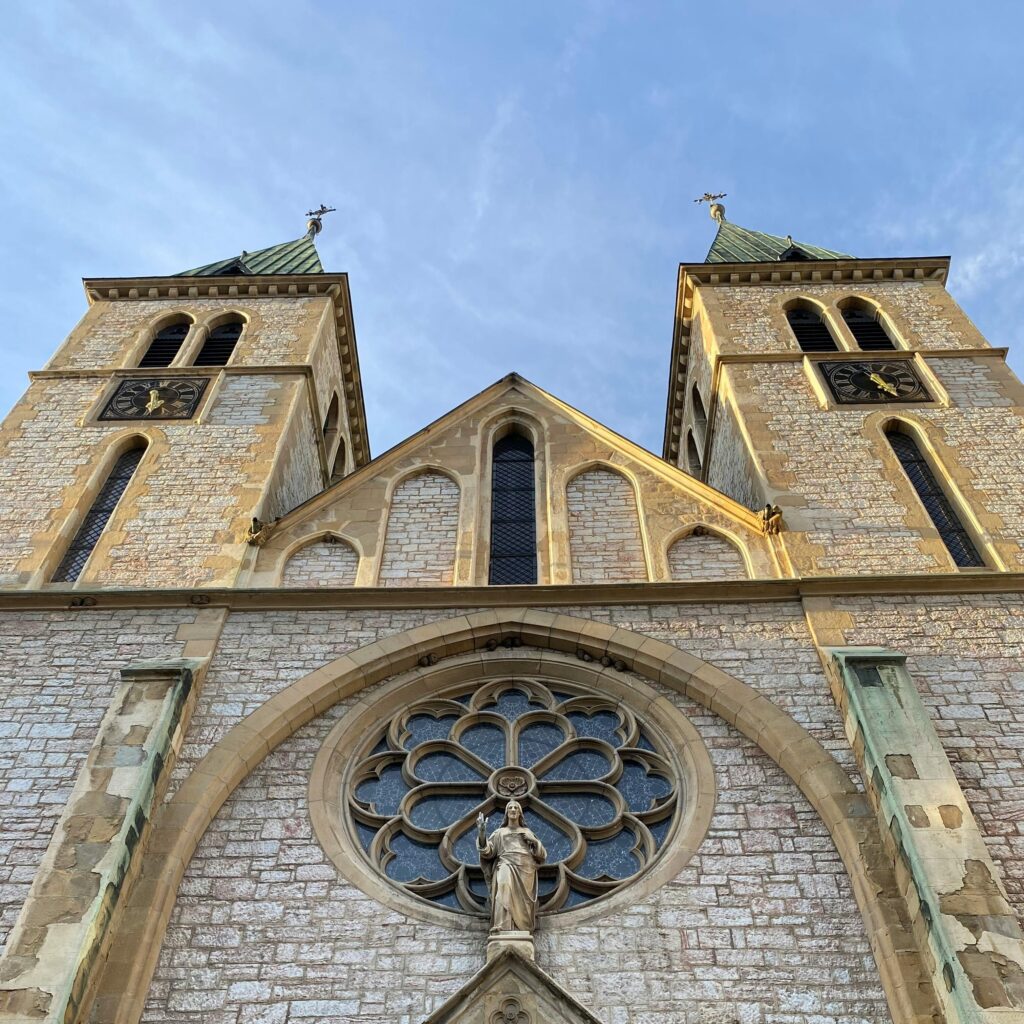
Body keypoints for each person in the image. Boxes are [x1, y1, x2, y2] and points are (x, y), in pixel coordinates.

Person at [476, 800, 547, 933]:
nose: (513, 809)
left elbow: (541, 855)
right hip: (505, 863)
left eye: (516, 808)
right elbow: (487, 851)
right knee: (503, 886)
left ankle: (519, 927)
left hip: (526, 868)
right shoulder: (499, 833)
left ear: (520, 813)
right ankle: (502, 925)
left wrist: (534, 841)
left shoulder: (527, 832)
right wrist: (482, 834)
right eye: (510, 808)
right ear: (507, 813)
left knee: (522, 902)